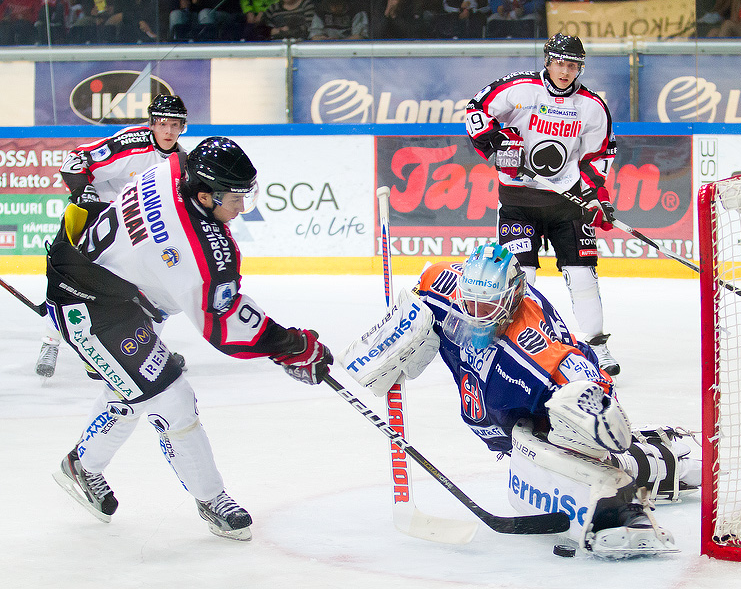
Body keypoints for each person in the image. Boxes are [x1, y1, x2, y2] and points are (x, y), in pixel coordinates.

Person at [48, 136, 334, 541]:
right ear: (204, 194)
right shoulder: (192, 246)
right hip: (95, 309)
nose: (241, 208)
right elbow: (224, 325)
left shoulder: (176, 167)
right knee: (171, 397)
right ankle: (211, 497)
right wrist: (292, 346)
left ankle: (82, 466)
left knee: (132, 392)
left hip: (111, 286)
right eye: (234, 199)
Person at [340, 243, 699, 556]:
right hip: (496, 406)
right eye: (472, 304)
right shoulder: (442, 282)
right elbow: (422, 292)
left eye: (489, 307)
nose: (477, 316)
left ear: (512, 297)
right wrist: (400, 328)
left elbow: (590, 392)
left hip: (541, 405)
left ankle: (658, 466)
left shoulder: (534, 347)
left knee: (564, 455)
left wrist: (599, 422)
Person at [465, 32, 620, 377]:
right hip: (519, 201)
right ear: (547, 62)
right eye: (560, 63)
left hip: (568, 204)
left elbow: (598, 154)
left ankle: (596, 345)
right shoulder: (519, 88)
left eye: (573, 65)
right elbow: (476, 109)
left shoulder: (592, 106)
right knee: (524, 275)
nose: (565, 71)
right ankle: (520, 342)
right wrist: (498, 142)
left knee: (582, 275)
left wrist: (596, 195)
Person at [35, 95, 189, 379]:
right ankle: (50, 343)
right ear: (152, 123)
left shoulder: (182, 163)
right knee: (70, 283)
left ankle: (143, 348)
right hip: (94, 223)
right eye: (163, 124)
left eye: (175, 125)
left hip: (133, 237)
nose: (168, 131)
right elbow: (75, 161)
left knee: (156, 293)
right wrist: (84, 193)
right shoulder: (132, 144)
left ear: (183, 127)